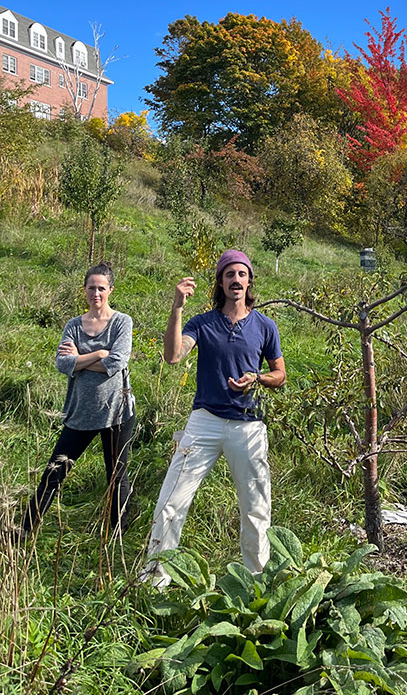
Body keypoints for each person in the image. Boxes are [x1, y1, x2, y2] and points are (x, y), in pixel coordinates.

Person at [143, 250, 285, 586]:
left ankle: (256, 582)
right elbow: (174, 355)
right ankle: (154, 580)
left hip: (248, 426)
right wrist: (177, 307)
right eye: (229, 275)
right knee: (170, 502)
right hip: (204, 422)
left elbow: (280, 374)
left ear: (249, 281)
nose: (236, 280)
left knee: (255, 507)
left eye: (241, 274)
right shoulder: (203, 323)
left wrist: (258, 378)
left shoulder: (265, 326)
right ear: (220, 283)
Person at [19, 262, 134, 539]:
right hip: (80, 411)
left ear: (111, 290)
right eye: (91, 287)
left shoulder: (122, 322)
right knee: (54, 472)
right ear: (84, 290)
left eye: (101, 288)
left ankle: (117, 532)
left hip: (116, 411)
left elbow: (118, 362)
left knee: (116, 475)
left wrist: (79, 361)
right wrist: (98, 355)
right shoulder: (73, 325)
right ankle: (24, 529)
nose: (96, 293)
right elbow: (62, 363)